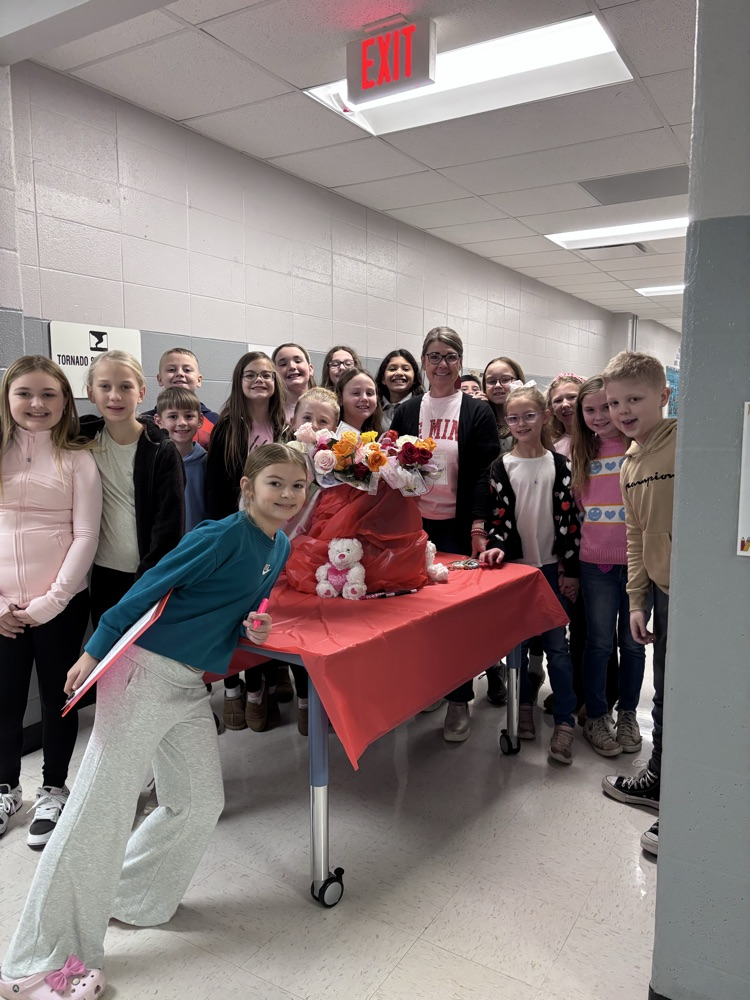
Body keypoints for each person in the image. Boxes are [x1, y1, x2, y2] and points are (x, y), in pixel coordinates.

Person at [0, 445, 308, 998]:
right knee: (98, 813)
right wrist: (94, 650)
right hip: (144, 673)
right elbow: (149, 586)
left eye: (297, 486)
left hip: (188, 685)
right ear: (247, 486)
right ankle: (37, 963)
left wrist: (253, 628)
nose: (287, 495)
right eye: (275, 484)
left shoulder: (279, 544)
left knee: (197, 801)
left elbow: (244, 610)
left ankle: (131, 895)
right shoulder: (219, 535)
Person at [0, 357, 102, 849]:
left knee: (59, 700)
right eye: (24, 393)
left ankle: (53, 788)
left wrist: (50, 602)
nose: (36, 404)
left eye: (48, 395)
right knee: (5, 700)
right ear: (8, 398)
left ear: (65, 401)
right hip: (2, 610)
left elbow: (86, 535)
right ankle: (5, 788)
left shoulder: (78, 458)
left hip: (59, 606)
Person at [390, 328, 498, 742]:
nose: (441, 364)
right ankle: (430, 687)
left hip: (456, 528)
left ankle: (458, 698)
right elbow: (395, 468)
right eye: (434, 356)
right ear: (423, 361)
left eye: (450, 356)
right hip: (413, 526)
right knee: (416, 615)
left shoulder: (475, 411)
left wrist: (477, 525)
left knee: (454, 618)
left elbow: (481, 473)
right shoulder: (407, 410)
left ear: (460, 362)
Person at [475, 384, 581, 764]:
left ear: (545, 417)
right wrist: (498, 545)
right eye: (514, 418)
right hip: (518, 573)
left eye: (529, 416)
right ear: (507, 423)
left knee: (558, 649)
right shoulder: (501, 467)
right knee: (517, 645)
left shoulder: (560, 465)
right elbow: (500, 520)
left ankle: (565, 721)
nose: (521, 423)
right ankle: (521, 708)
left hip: (552, 569)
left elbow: (569, 522)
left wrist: (570, 569)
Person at [600, 351, 676, 858]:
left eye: (635, 399)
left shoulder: (686, 445)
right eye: (613, 402)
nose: (623, 410)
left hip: (703, 597)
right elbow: (635, 535)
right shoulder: (629, 460)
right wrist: (636, 599)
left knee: (689, 699)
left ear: (664, 396)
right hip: (664, 594)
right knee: (667, 695)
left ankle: (682, 805)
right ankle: (660, 782)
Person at [206, 351, 288, 732]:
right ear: (239, 381)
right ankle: (238, 692)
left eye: (267, 375)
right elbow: (216, 492)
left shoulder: (284, 427)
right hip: (239, 536)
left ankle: (261, 693)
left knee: (263, 613)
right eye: (251, 375)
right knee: (236, 613)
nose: (259, 381)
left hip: (276, 537)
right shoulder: (228, 428)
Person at [81, 350, 185, 628]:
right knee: (106, 657)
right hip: (103, 574)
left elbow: (170, 529)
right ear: (91, 393)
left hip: (146, 576)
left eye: (125, 387)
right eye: (105, 386)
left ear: (141, 393)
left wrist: (148, 582)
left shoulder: (161, 451)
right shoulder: (82, 439)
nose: (115, 396)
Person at [570, 376, 645, 757]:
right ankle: (597, 716)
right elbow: (580, 511)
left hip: (637, 564)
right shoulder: (581, 455)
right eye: (591, 409)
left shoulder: (640, 450)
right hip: (594, 563)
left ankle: (628, 713)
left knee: (633, 645)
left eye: (607, 407)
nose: (600, 416)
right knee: (599, 643)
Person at [282, 386, 341, 736]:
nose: (314, 426)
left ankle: (318, 701)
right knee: (290, 632)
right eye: (307, 418)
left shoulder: (336, 464)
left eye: (323, 421)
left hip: (315, 558)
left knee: (315, 633)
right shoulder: (281, 456)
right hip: (279, 552)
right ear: (293, 420)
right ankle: (304, 700)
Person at [144, 348, 220, 450]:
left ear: (199, 380)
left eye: (187, 370)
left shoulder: (215, 421)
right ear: (160, 379)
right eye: (171, 370)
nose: (180, 374)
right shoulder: (144, 422)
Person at [154, 387, 206, 533]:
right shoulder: (154, 463)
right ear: (159, 421)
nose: (182, 422)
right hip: (165, 548)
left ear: (200, 420)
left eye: (189, 416)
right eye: (173, 416)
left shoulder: (207, 463)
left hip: (200, 546)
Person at [482, 356, 525, 453]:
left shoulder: (532, 419)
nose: (497, 385)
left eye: (505, 379)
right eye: (491, 381)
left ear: (519, 382)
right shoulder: (481, 420)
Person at [375, 349, 423, 430]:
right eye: (392, 369)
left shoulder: (423, 406)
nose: (399, 373)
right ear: (383, 379)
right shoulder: (373, 407)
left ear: (414, 378)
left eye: (406, 369)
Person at [272, 343, 316, 423]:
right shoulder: (268, 412)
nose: (292, 366)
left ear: (310, 369)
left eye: (298, 361)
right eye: (283, 364)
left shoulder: (327, 406)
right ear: (274, 374)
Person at [546, 372, 585, 458]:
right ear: (552, 410)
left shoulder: (601, 438)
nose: (565, 404)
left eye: (571, 397)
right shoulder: (554, 449)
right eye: (558, 400)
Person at [336, 367, 383, 435]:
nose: (364, 398)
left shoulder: (379, 439)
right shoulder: (328, 437)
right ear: (340, 398)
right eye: (356, 393)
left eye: (369, 393)